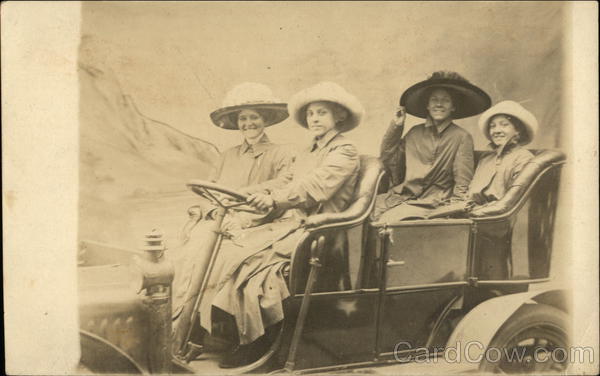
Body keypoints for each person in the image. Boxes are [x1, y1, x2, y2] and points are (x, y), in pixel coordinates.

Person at [197, 82, 363, 368]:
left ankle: (258, 343)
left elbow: (313, 188)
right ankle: (231, 331)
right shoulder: (309, 149)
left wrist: (274, 202)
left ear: (339, 117)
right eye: (311, 114)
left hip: (319, 231)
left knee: (256, 266)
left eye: (322, 113)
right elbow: (288, 182)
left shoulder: (344, 151)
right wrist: (264, 196)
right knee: (232, 252)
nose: (314, 119)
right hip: (292, 225)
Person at [171, 82, 294, 320]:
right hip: (220, 220)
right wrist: (213, 212)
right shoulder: (227, 156)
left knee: (212, 257)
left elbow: (284, 186)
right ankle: (181, 317)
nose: (248, 124)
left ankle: (197, 322)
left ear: (266, 119)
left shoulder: (282, 153)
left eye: (254, 117)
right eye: (243, 119)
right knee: (183, 255)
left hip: (258, 224)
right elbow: (210, 191)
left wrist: (242, 197)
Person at [372, 71, 491, 223]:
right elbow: (389, 158)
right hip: (402, 197)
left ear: (453, 107)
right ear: (427, 105)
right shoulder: (414, 133)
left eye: (446, 100)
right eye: (434, 99)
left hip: (433, 203)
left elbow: (463, 181)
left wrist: (454, 211)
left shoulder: (461, 137)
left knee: (387, 221)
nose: (439, 104)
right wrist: (396, 126)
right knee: (367, 211)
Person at [467, 100, 537, 214]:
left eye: (504, 125)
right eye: (492, 126)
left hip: (496, 219)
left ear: (517, 130)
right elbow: (470, 195)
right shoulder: (486, 159)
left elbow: (512, 201)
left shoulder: (524, 158)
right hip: (470, 214)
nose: (497, 131)